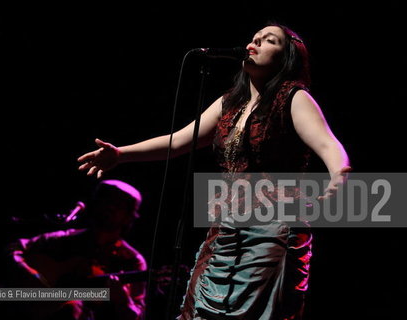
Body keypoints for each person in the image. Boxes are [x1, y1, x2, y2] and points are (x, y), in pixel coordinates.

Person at [77, 23, 351, 320]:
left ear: (287, 57)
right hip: (224, 231)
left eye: (267, 41)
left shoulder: (293, 98)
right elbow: (178, 141)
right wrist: (120, 155)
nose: (253, 45)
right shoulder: (230, 103)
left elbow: (327, 143)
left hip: (272, 229)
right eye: (253, 39)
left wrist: (339, 174)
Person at [8, 179, 147, 320]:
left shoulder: (132, 261)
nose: (110, 207)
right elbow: (14, 248)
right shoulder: (63, 239)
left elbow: (138, 315)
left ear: (128, 217)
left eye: (118, 205)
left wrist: (124, 301)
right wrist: (33, 276)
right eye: (106, 200)